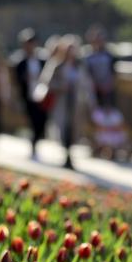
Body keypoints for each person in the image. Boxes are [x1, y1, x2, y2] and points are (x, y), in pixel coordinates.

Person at [35, 35, 93, 170]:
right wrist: (61, 87)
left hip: (76, 103)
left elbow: (86, 84)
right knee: (63, 128)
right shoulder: (57, 64)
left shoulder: (79, 65)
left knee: (73, 129)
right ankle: (66, 155)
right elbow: (46, 83)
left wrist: (89, 101)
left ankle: (70, 154)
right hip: (61, 102)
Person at [14, 28, 47, 159]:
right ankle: (33, 145)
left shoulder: (42, 60)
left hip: (42, 96)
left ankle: (35, 142)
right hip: (28, 96)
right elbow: (17, 79)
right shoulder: (20, 62)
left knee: (42, 121)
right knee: (33, 121)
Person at [84, 25, 117, 107]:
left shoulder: (109, 55)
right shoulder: (88, 57)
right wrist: (95, 86)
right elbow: (87, 74)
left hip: (109, 90)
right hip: (94, 91)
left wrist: (109, 85)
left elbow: (113, 72)